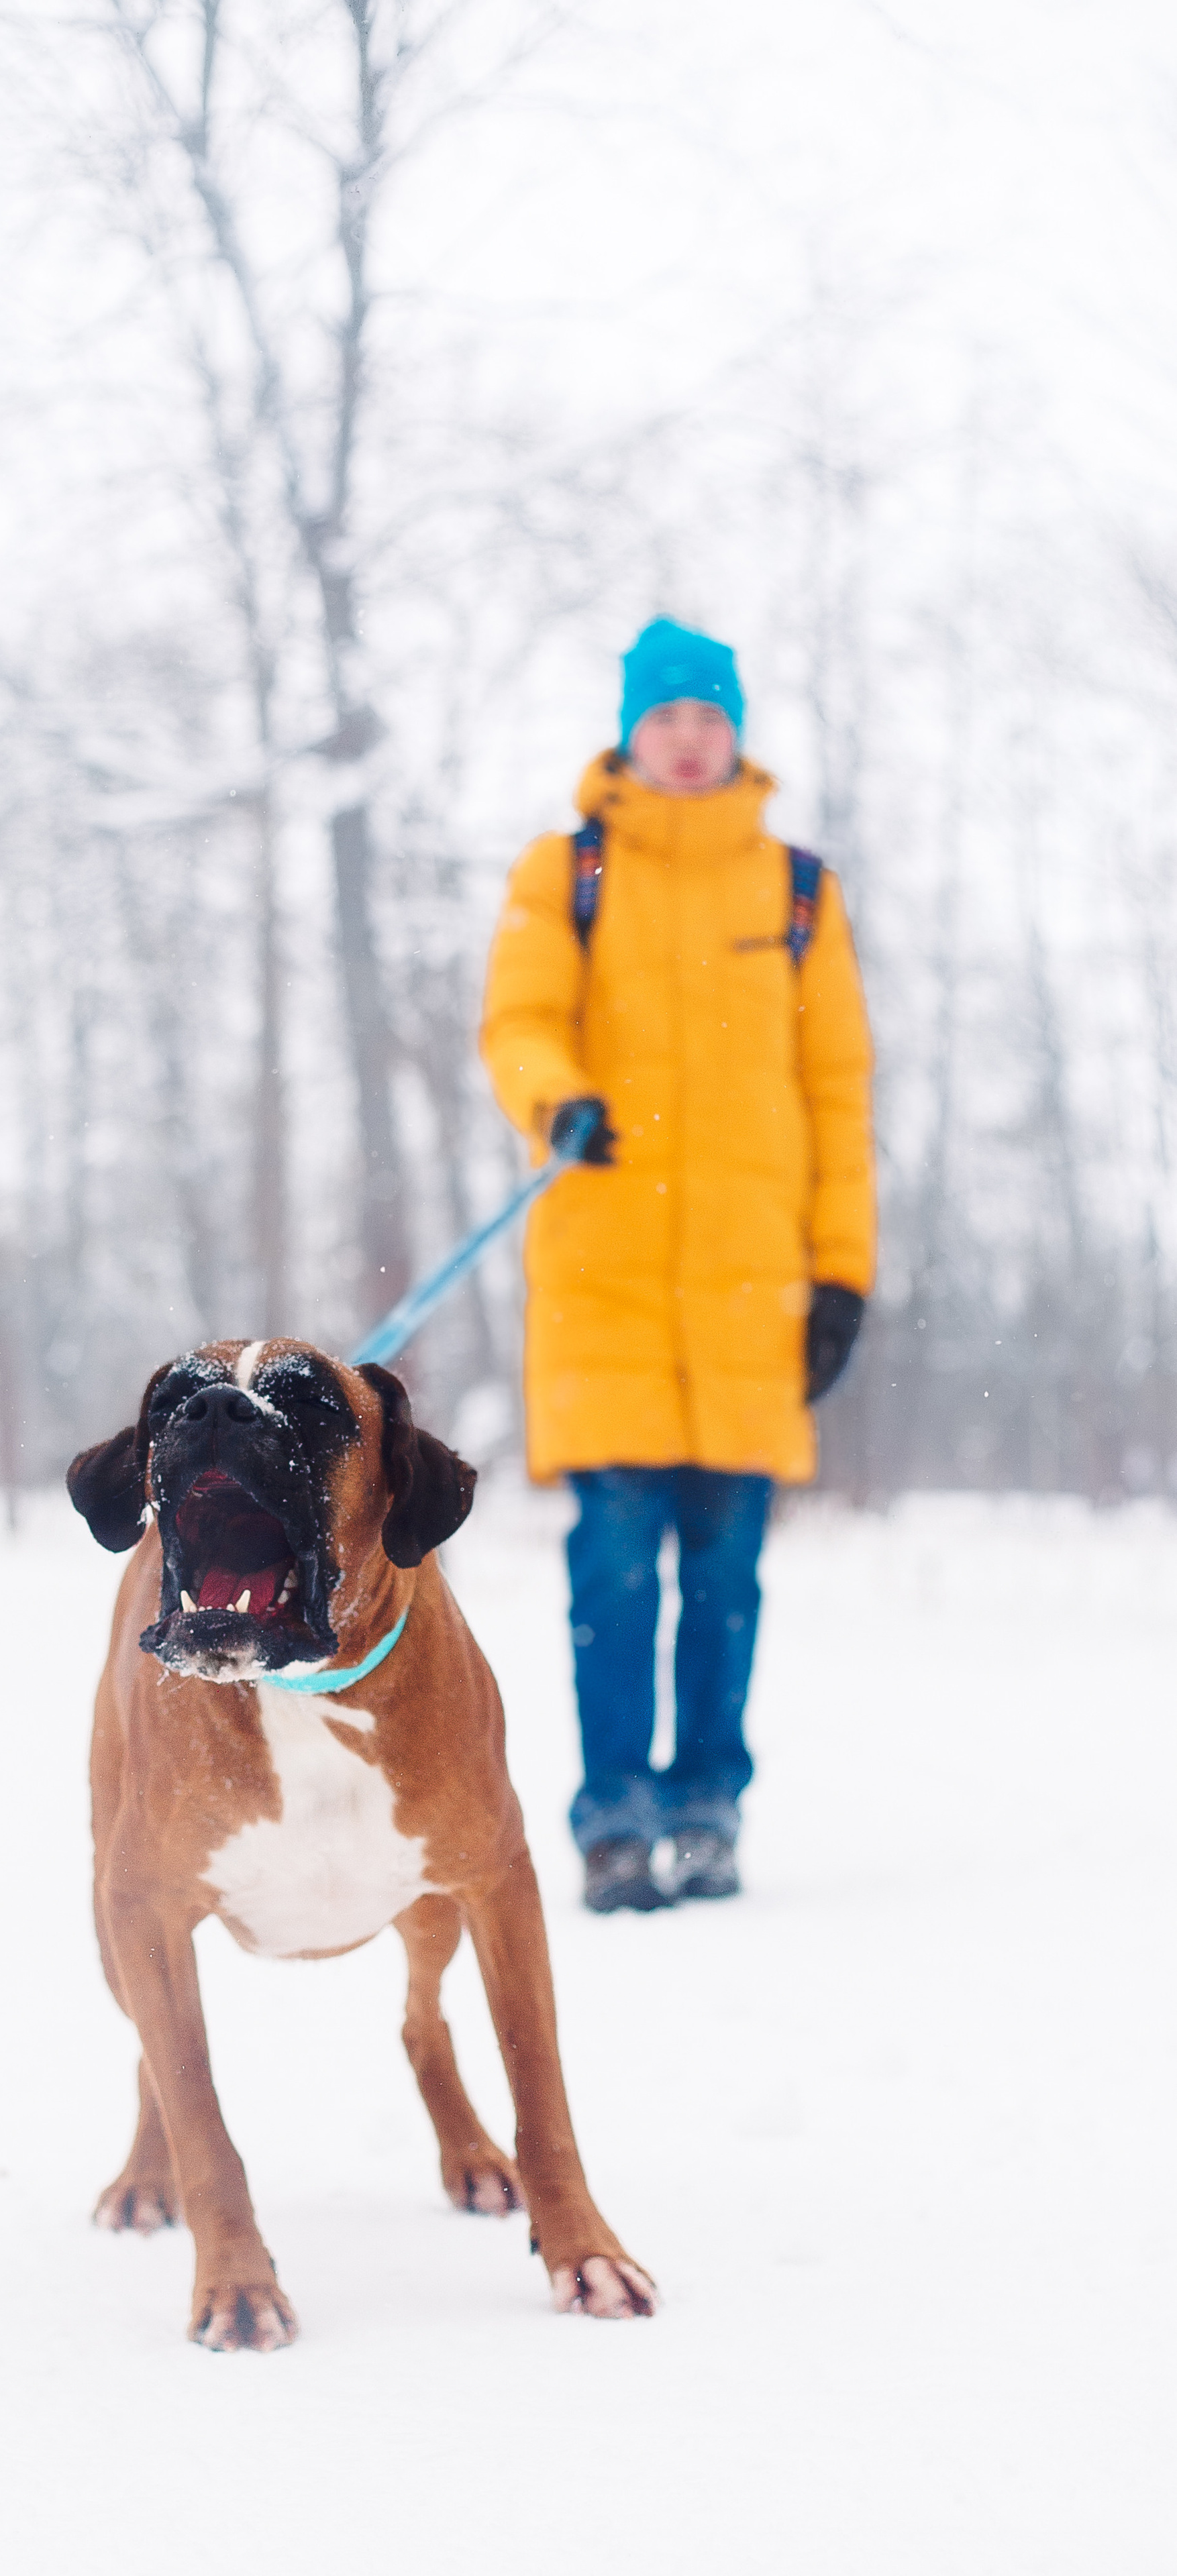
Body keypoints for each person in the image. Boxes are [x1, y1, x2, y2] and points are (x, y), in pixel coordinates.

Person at [478, 618, 876, 1911]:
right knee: (610, 1572)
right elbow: (519, 1021)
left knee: (724, 1578)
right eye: (668, 718)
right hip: (605, 1289)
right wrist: (559, 1100)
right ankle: (614, 1819)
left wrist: (842, 1275)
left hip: (754, 1296)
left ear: (736, 730)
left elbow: (838, 1094)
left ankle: (707, 1806)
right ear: (630, 732)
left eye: (711, 717)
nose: (691, 739)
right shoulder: (569, 872)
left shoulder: (799, 892)